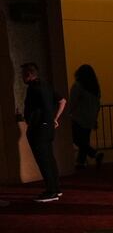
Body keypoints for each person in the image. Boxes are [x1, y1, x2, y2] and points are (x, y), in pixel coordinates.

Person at [21, 62, 66, 202]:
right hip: (48, 128)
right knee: (50, 159)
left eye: (23, 75)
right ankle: (56, 189)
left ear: (28, 75)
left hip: (39, 129)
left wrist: (46, 120)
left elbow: (44, 107)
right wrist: (54, 119)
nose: (22, 78)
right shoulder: (46, 85)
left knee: (43, 161)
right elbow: (62, 101)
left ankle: (51, 192)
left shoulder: (34, 89)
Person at [69, 64, 104, 169]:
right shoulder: (95, 88)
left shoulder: (78, 86)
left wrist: (66, 113)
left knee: (75, 138)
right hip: (90, 118)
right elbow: (97, 105)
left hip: (78, 118)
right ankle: (81, 161)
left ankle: (94, 154)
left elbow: (72, 102)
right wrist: (95, 119)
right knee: (84, 140)